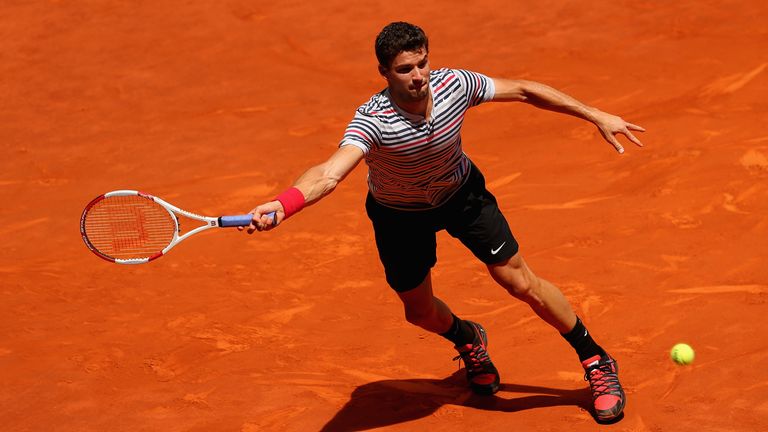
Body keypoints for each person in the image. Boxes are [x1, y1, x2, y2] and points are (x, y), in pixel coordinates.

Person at [242, 21, 644, 422]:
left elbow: (522, 89)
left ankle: (596, 359)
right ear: (384, 72)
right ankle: (467, 338)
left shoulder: (454, 84)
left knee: (518, 281)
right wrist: (284, 204)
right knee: (418, 313)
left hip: (461, 196)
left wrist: (594, 114)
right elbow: (329, 173)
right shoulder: (373, 120)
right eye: (404, 69)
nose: (418, 77)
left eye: (422, 64)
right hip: (399, 216)